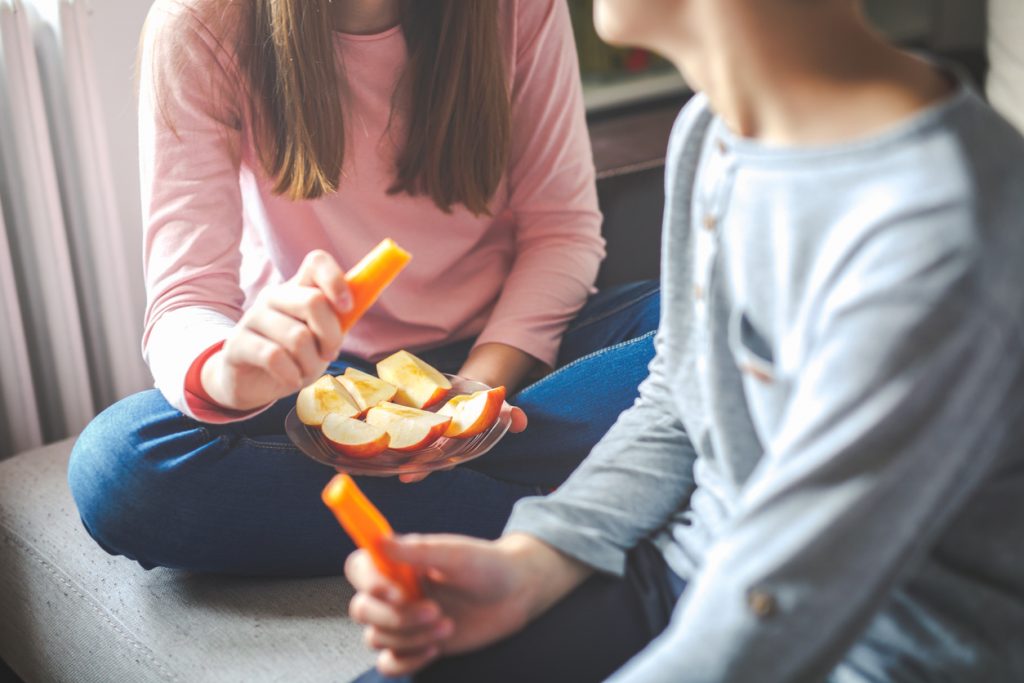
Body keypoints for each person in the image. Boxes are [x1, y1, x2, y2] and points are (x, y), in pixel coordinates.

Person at [344, 0, 1024, 681]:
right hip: (691, 571)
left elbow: (784, 598)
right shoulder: (714, 129)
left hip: (865, 651)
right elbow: (678, 399)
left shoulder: (942, 228)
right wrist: (532, 563)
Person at [66, 0, 661, 576]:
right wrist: (230, 374)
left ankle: (540, 493)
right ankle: (567, 502)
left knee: (721, 327)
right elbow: (185, 299)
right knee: (118, 465)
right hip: (328, 384)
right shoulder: (200, 24)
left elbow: (562, 230)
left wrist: (471, 401)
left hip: (505, 358)